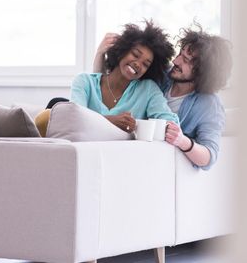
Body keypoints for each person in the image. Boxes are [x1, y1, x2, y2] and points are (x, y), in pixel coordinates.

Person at [93, 24, 233, 170]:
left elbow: (209, 157)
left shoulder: (209, 104)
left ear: (203, 72)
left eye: (186, 61)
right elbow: (107, 86)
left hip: (157, 164)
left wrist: (183, 141)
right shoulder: (162, 76)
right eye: (180, 54)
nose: (176, 61)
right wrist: (100, 54)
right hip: (128, 149)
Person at [71, 20, 179, 133]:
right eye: (135, 55)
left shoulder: (148, 89)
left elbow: (171, 123)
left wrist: (139, 126)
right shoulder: (84, 82)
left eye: (145, 64)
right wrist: (112, 121)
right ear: (122, 50)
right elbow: (74, 118)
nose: (138, 64)